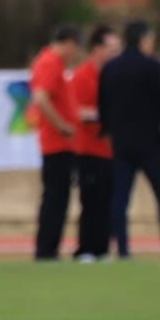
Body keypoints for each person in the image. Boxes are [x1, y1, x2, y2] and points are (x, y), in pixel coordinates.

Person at [98, 19, 160, 259]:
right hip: (151, 142)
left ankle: (123, 249)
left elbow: (103, 106)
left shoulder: (110, 68)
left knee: (120, 199)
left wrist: (108, 134)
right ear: (144, 38)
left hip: (122, 143)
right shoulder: (153, 66)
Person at [69, 24, 120, 262]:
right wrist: (105, 116)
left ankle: (102, 248)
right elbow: (78, 111)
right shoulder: (83, 74)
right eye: (111, 48)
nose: (115, 53)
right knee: (90, 200)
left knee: (108, 200)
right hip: (88, 149)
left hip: (110, 151)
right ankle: (85, 248)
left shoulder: (112, 75)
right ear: (97, 48)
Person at [29, 25, 80, 261]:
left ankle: (50, 248)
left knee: (59, 198)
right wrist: (62, 125)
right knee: (55, 198)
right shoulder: (49, 63)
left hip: (63, 143)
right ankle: (46, 250)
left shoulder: (54, 64)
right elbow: (41, 98)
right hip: (56, 143)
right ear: (68, 42)